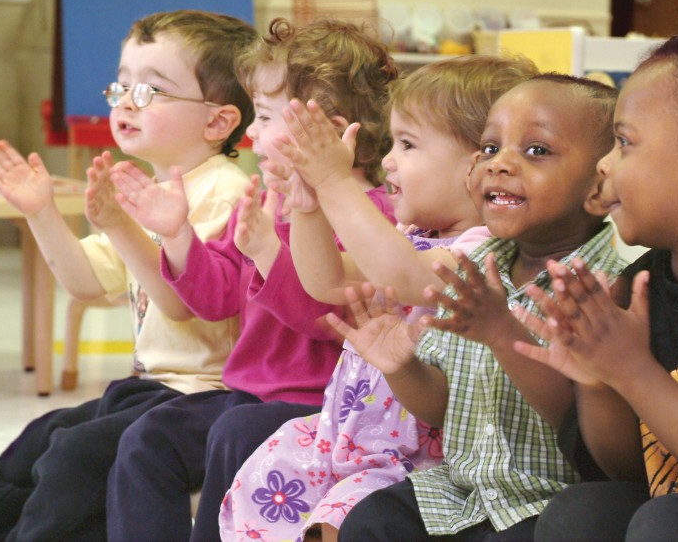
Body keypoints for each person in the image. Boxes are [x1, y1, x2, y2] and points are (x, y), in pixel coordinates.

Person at [218, 54, 540, 542]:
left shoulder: (483, 248)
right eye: (392, 142)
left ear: (479, 163)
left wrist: (333, 181)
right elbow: (328, 284)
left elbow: (410, 279)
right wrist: (309, 209)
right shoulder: (410, 232)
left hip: (410, 459)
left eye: (407, 145)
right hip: (345, 436)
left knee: (333, 526)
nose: (388, 159)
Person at [105, 18, 399, 542]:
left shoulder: (371, 216)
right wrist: (177, 236)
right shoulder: (268, 200)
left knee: (234, 432)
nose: (253, 132)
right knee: (148, 435)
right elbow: (215, 298)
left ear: (327, 132)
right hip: (248, 395)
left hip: (318, 406)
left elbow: (326, 314)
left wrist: (267, 250)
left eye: (263, 116)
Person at [0, 10, 257, 542]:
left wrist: (121, 226)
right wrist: (40, 212)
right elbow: (85, 283)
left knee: (75, 457)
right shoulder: (149, 192)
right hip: (153, 385)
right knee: (41, 438)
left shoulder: (226, 192)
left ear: (217, 122)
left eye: (151, 91)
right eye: (122, 86)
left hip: (207, 395)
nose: (126, 103)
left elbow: (186, 302)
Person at [326, 73, 630, 540]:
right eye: (490, 149)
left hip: (546, 503)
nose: (499, 164)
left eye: (536, 151)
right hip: (463, 494)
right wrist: (402, 368)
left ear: (599, 186)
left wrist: (501, 330)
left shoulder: (607, 286)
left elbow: (590, 432)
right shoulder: (475, 266)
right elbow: (443, 405)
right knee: (370, 521)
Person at [509, 29, 678, 542]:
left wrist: (631, 369)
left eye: (624, 143)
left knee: (669, 522)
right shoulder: (636, 284)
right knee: (581, 511)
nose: (605, 164)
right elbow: (624, 470)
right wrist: (600, 379)